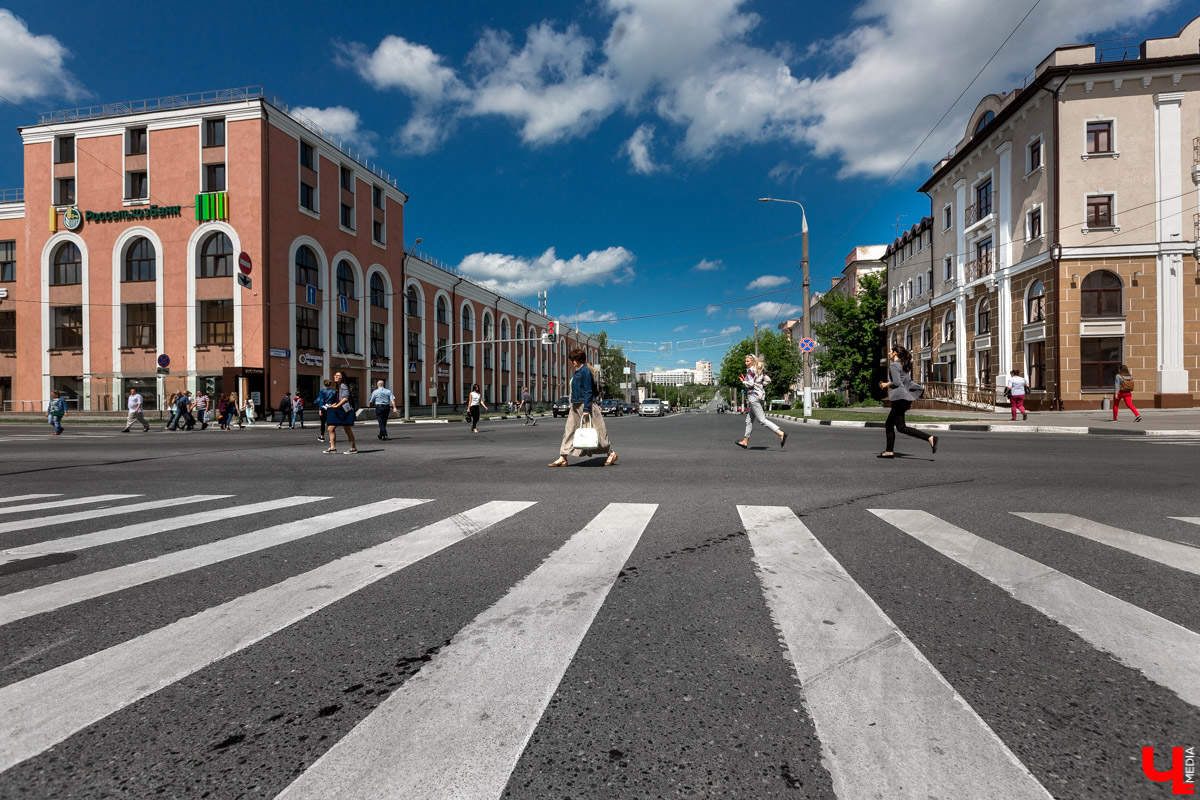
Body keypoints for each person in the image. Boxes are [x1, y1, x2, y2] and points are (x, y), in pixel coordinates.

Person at [549, 349, 618, 467]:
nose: (572, 362)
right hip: (574, 405)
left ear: (579, 360)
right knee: (569, 431)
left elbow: (588, 391)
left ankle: (611, 453)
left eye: (574, 360)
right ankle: (563, 457)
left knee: (597, 431)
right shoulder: (578, 371)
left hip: (585, 405)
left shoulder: (585, 372)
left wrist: (586, 409)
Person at [879, 344, 937, 459]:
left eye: (890, 351)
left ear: (895, 353)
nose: (889, 353)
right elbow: (908, 382)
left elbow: (897, 383)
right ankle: (889, 451)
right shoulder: (903, 365)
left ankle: (929, 438)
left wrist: (886, 384)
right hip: (903, 398)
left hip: (899, 398)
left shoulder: (894, 366)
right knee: (890, 424)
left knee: (901, 427)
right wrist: (909, 398)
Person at [735, 354, 786, 450]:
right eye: (745, 361)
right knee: (749, 420)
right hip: (760, 395)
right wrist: (760, 385)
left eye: (747, 361)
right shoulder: (759, 370)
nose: (746, 363)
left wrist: (743, 381)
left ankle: (781, 434)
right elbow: (768, 380)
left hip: (753, 396)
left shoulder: (750, 370)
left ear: (753, 362)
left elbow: (750, 384)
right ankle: (745, 441)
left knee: (762, 420)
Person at [322, 370, 357, 454]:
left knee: (347, 429)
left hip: (344, 410)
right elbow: (341, 399)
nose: (336, 377)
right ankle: (333, 448)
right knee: (331, 428)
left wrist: (337, 406)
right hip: (341, 409)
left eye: (338, 375)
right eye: (335, 375)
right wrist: (334, 404)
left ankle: (353, 448)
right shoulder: (339, 386)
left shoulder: (343, 386)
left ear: (342, 377)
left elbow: (345, 398)